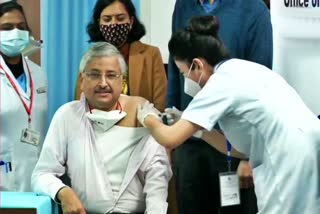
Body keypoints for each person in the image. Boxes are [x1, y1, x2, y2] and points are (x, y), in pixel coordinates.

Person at [137, 16, 320, 214]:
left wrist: (147, 115)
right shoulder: (240, 68)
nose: (185, 80)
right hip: (305, 149)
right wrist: (196, 130)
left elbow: (169, 138)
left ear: (197, 65)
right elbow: (236, 148)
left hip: (286, 158)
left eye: (183, 73)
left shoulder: (218, 84)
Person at [32, 42, 172, 214]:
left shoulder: (143, 116)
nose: (103, 83)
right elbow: (41, 175)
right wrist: (63, 192)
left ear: (123, 82)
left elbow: (157, 182)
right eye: (95, 75)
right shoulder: (67, 116)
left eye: (111, 75)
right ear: (82, 80)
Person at [166, 0, 272, 213]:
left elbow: (260, 83)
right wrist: (171, 128)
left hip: (233, 143)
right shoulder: (183, 5)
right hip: (191, 139)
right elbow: (176, 64)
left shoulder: (254, 9)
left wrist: (250, 157)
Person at [75, 0, 167, 112]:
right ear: (99, 23)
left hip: (139, 126)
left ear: (131, 21)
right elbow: (81, 103)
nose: (114, 24)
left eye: (120, 18)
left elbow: (160, 106)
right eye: (107, 19)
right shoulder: (90, 57)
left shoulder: (151, 54)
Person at [0, 0, 47, 191]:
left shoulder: (38, 74)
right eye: (6, 27)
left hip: (36, 175)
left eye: (21, 27)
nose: (15, 33)